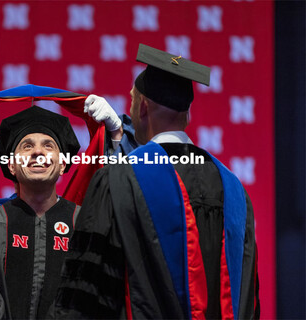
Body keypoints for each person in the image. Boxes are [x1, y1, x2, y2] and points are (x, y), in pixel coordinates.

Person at [53, 44, 260, 319]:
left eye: (132, 100)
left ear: (143, 108)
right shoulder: (234, 188)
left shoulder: (119, 179)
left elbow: (88, 293)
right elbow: (249, 296)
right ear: (187, 115)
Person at [0, 94, 134, 275]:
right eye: (26, 146)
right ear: (11, 165)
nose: (38, 152)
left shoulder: (86, 222)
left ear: (62, 165)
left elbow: (127, 213)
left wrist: (116, 135)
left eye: (48, 145)